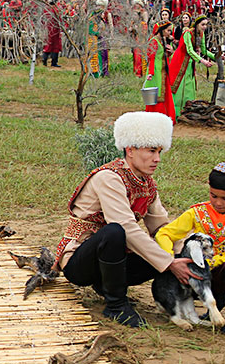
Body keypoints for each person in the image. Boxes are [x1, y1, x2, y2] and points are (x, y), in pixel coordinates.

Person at [54, 112, 196, 327]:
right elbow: (125, 227)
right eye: (151, 151)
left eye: (159, 151)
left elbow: (161, 227)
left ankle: (111, 285)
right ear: (130, 150)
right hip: (80, 261)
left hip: (113, 259)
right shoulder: (109, 178)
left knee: (168, 245)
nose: (157, 159)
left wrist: (185, 254)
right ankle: (116, 305)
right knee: (115, 232)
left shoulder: (147, 183)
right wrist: (168, 263)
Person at [155, 162, 225, 334]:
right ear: (208, 188)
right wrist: (171, 260)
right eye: (213, 195)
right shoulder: (197, 213)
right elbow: (164, 234)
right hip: (201, 273)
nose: (218, 203)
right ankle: (214, 301)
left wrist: (214, 261)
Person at [167, 14, 215, 117]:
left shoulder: (201, 34)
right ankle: (175, 112)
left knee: (189, 85)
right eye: (203, 24)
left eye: (206, 25)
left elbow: (203, 50)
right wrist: (202, 61)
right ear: (197, 24)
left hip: (190, 62)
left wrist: (216, 57)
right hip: (180, 61)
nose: (204, 27)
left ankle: (188, 110)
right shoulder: (187, 33)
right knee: (179, 85)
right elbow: (189, 49)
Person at [143, 20, 175, 120]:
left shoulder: (162, 41)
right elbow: (151, 58)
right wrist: (151, 73)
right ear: (162, 30)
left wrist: (170, 52)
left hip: (163, 71)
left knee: (164, 93)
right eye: (168, 31)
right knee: (157, 94)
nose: (170, 33)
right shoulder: (154, 41)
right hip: (156, 72)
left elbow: (162, 56)